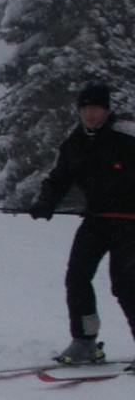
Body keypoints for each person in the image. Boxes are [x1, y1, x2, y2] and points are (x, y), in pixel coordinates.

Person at [28, 82, 135, 367]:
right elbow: (59, 178)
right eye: (85, 109)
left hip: (130, 224)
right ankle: (85, 340)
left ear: (107, 110)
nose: (90, 114)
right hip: (96, 221)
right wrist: (46, 202)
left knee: (126, 284)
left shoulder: (127, 134)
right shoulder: (74, 143)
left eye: (96, 108)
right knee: (77, 278)